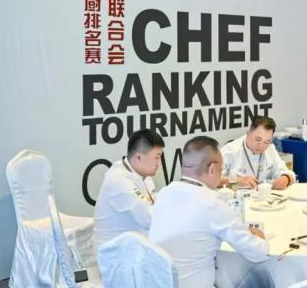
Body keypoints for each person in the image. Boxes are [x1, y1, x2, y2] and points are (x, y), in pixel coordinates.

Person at [149, 136, 269, 288]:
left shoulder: (164, 193)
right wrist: (259, 237)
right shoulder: (212, 204)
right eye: (221, 169)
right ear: (212, 169)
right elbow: (258, 253)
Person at [94, 129, 165, 249]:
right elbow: (150, 219)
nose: (159, 163)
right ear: (138, 157)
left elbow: (154, 204)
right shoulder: (119, 181)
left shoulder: (143, 175)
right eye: (157, 157)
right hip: (114, 253)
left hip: (134, 245)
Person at [221, 116, 295, 190]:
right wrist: (236, 181)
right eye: (258, 139)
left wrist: (286, 178)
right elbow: (215, 180)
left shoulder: (270, 149)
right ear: (248, 133)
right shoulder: (230, 150)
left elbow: (288, 173)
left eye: (266, 142)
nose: (261, 146)